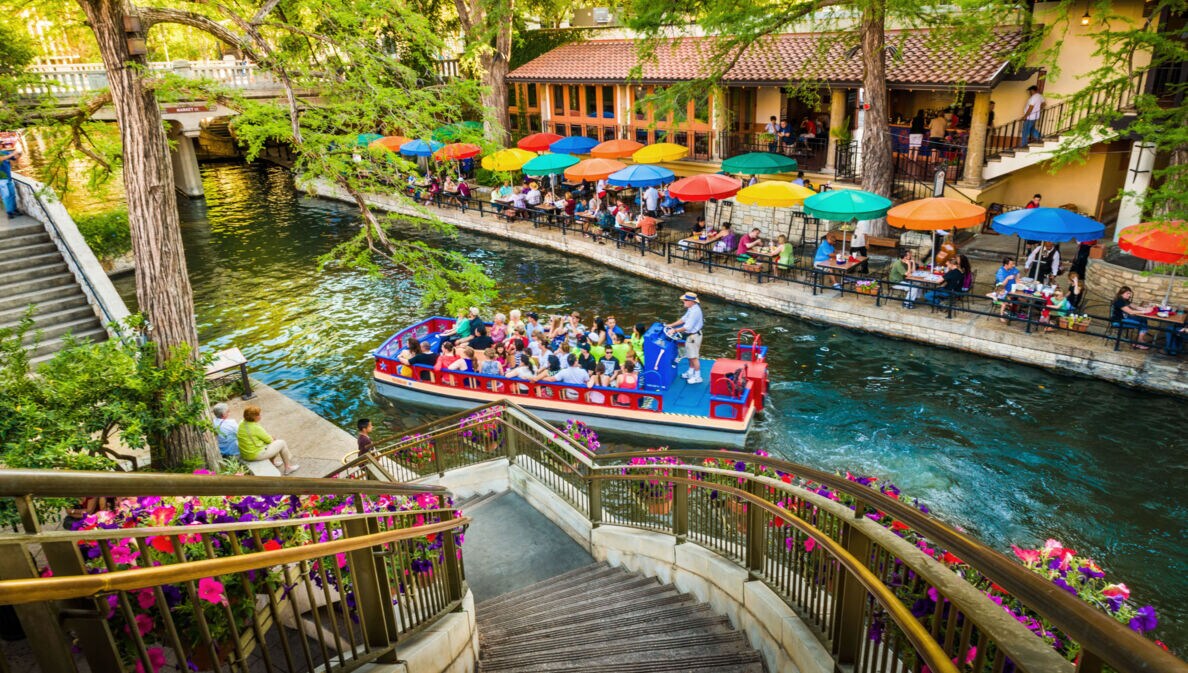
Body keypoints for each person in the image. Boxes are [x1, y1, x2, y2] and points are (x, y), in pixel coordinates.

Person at [237, 405, 300, 474]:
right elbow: (269, 440)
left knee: (275, 444)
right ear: (254, 417)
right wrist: (273, 438)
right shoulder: (255, 428)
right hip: (254, 455)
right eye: (258, 415)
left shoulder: (241, 423)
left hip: (246, 454)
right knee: (281, 443)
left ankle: (273, 463)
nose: (260, 416)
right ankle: (288, 468)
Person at [666, 291, 705, 384]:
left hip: (693, 336)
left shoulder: (695, 312)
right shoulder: (692, 308)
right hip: (691, 336)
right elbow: (683, 319)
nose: (683, 301)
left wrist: (674, 330)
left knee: (694, 357)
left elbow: (687, 327)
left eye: (685, 300)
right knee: (690, 356)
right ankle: (691, 372)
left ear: (691, 301)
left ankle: (698, 377)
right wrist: (671, 325)